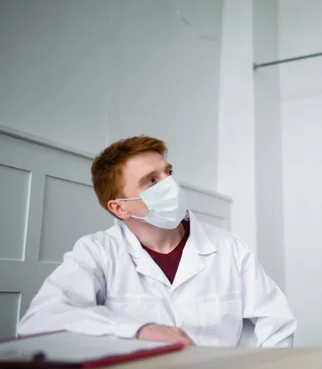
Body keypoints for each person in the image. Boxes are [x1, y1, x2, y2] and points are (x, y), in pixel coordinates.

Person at [18, 136, 296, 347]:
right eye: (151, 180)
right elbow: (39, 319)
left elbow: (277, 327)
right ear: (119, 208)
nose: (169, 184)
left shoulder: (230, 248)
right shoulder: (97, 252)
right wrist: (138, 330)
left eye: (168, 173)